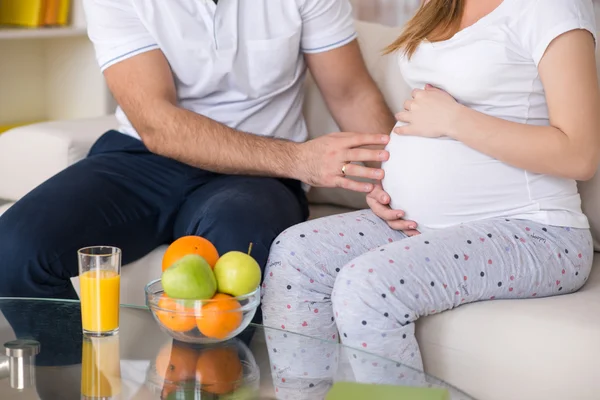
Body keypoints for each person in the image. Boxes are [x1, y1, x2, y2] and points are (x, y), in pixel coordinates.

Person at [261, 0, 600, 382]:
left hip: (535, 230)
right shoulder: (443, 3)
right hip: (427, 225)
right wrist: (386, 180)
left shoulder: (550, 8)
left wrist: (455, 121)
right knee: (297, 254)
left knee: (369, 285)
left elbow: (580, 154)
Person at [0, 0, 395, 299]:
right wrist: (300, 160)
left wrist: (399, 184)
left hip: (257, 175)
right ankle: (72, 384)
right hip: (145, 158)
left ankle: (202, 385)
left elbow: (350, 92)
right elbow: (157, 123)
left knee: (237, 244)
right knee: (14, 249)